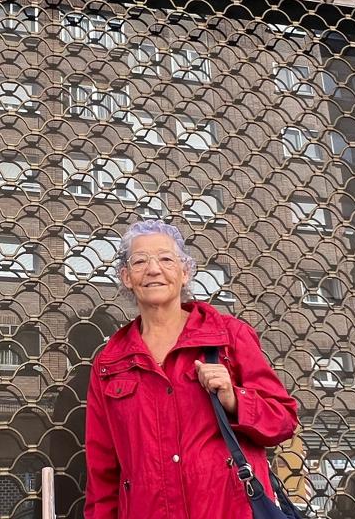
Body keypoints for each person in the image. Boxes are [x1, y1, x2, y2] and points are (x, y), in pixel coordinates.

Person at [84, 218, 299, 519]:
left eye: (166, 259)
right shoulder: (110, 363)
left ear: (185, 273)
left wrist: (235, 399)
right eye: (140, 261)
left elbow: (283, 420)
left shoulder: (229, 337)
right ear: (126, 277)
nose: (153, 269)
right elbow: (102, 473)